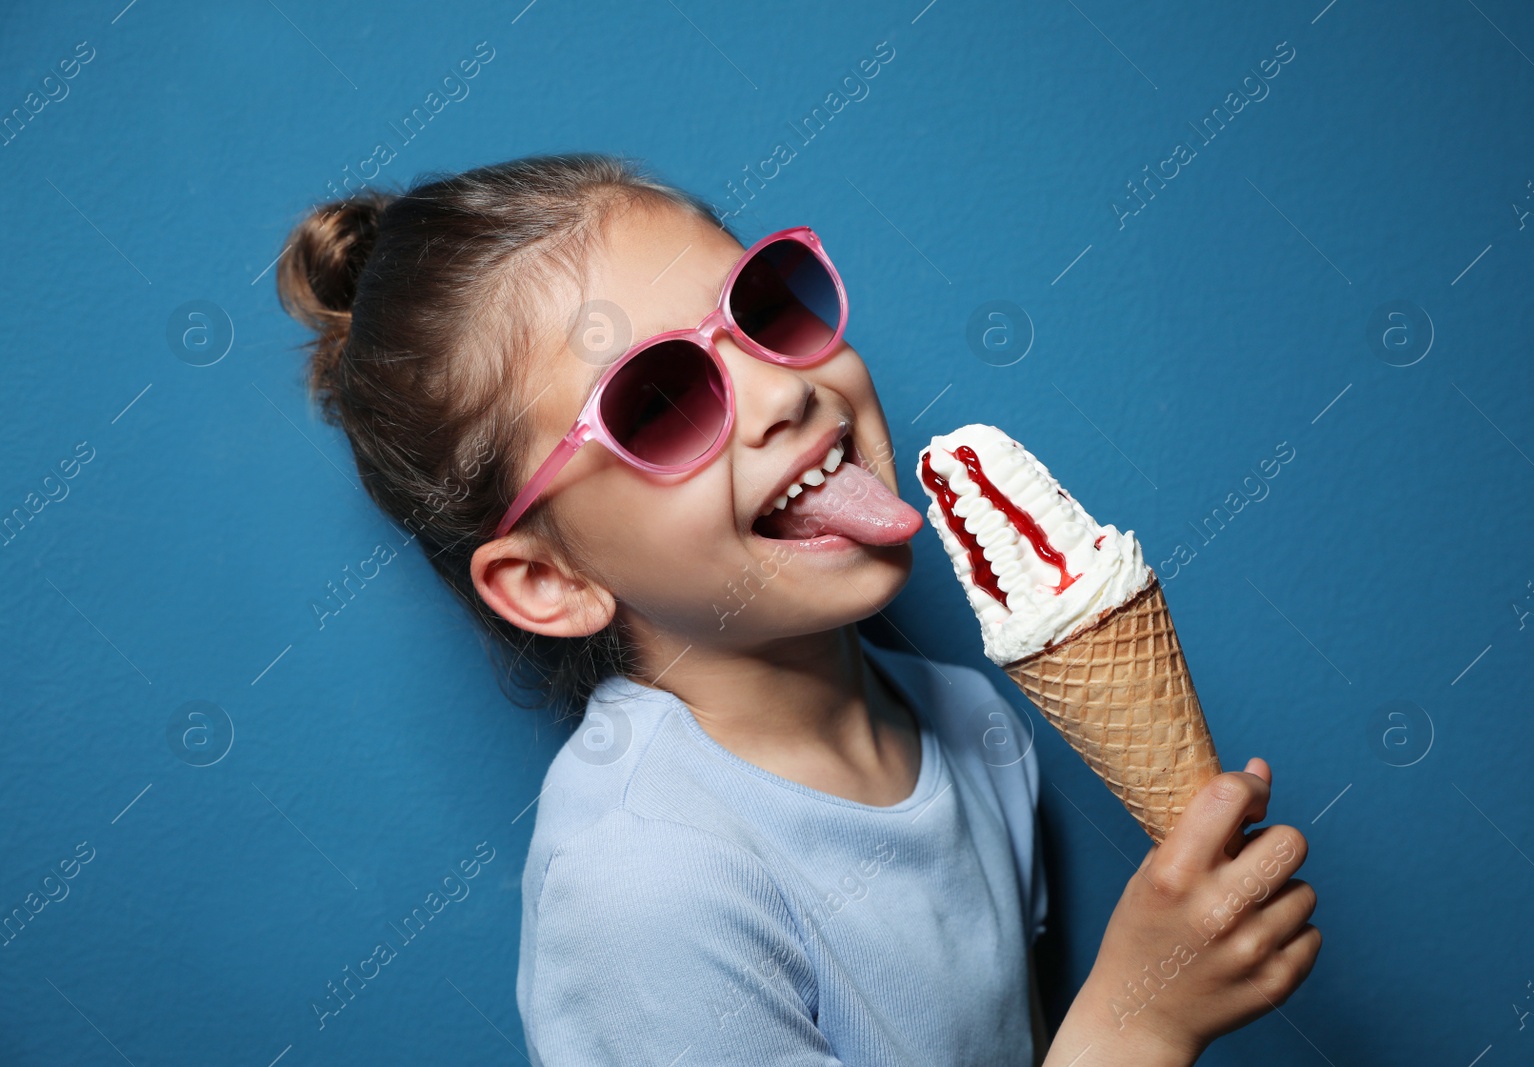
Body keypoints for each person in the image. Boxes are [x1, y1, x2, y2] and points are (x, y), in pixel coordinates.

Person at [275, 153, 1319, 1066]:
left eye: (763, 309)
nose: (783, 391)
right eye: (660, 399)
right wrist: (1138, 1024)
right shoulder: (642, 887)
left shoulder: (973, 721)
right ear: (550, 580)